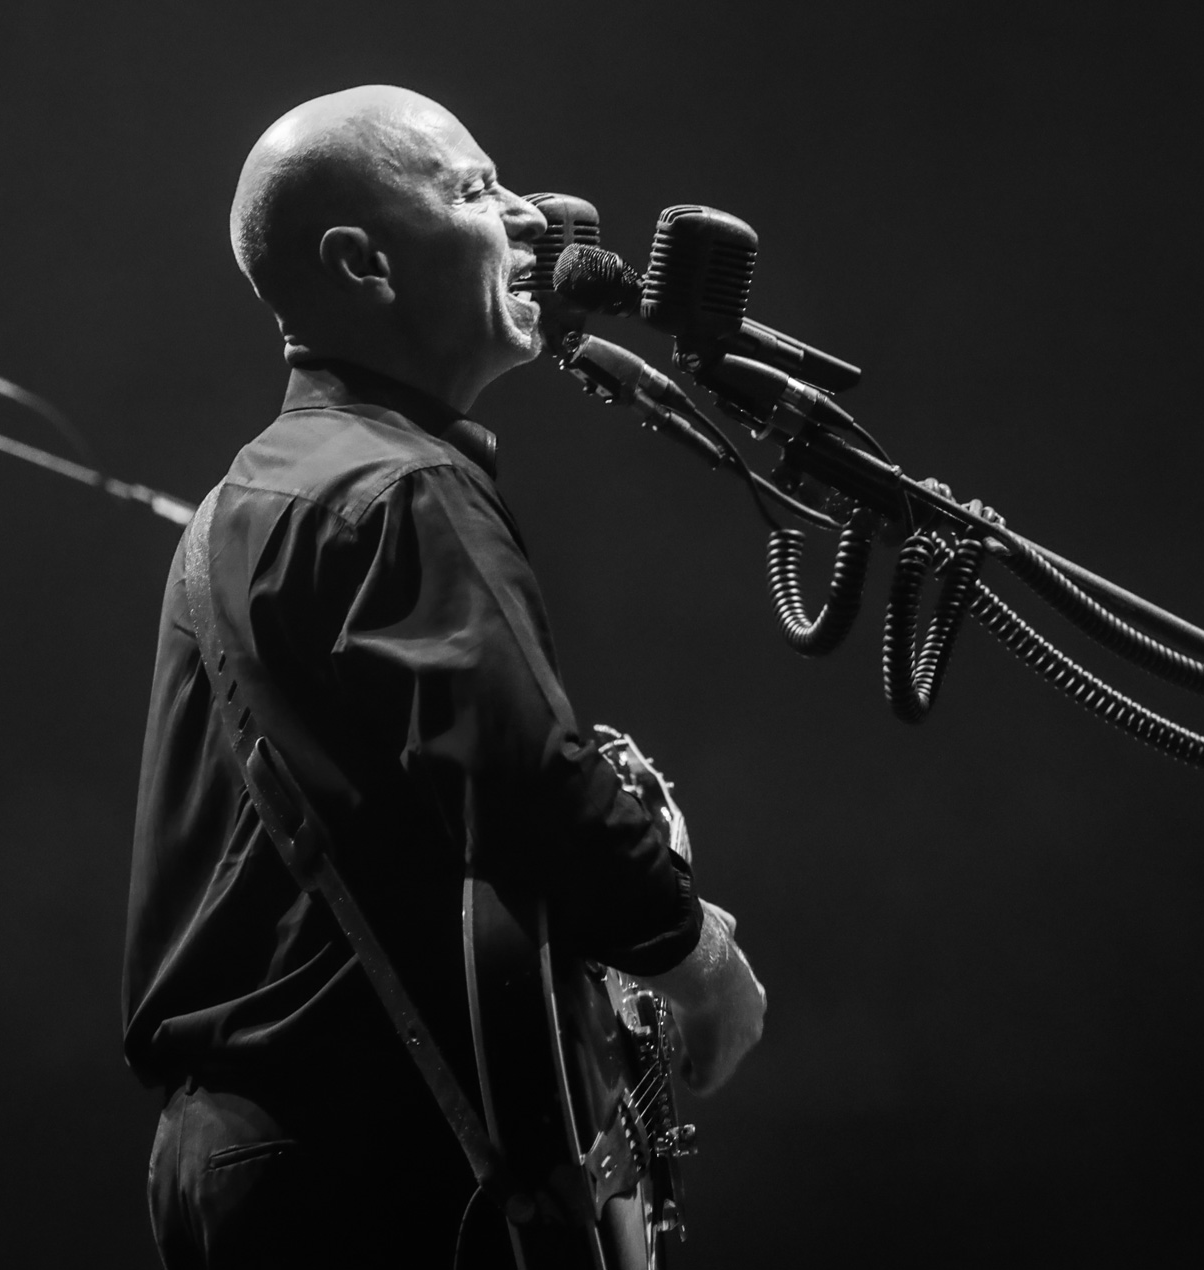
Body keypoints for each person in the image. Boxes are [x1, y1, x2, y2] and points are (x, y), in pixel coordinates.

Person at [122, 85, 769, 1268]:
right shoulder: (399, 485)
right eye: (476, 192)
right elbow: (521, 777)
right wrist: (695, 957)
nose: (535, 219)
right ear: (361, 262)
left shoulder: (246, 501)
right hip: (366, 1175)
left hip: (244, 1164)